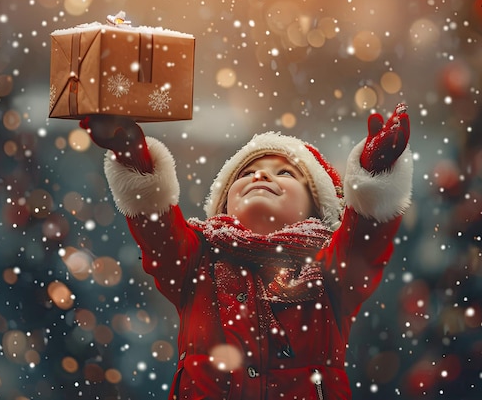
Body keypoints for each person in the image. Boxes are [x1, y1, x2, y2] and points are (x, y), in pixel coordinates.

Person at [81, 103, 413, 400]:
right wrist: (134, 159)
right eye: (246, 173)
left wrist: (374, 174)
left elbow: (366, 240)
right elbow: (157, 229)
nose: (261, 174)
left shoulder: (331, 273)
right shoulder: (196, 261)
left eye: (285, 172)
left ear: (316, 208)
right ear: (225, 203)